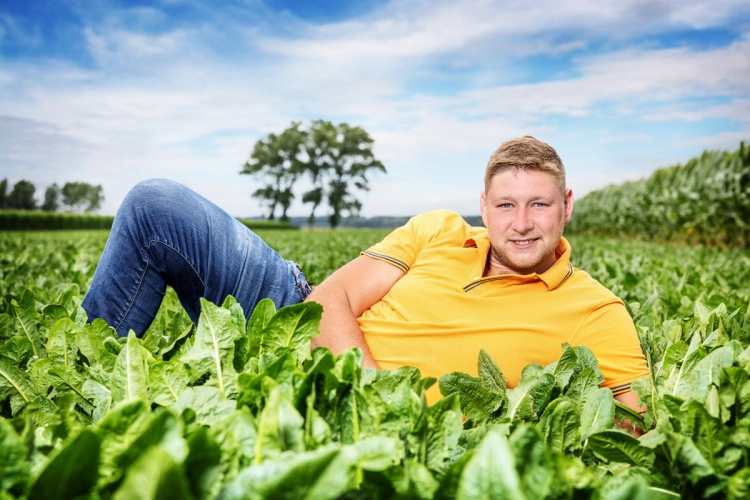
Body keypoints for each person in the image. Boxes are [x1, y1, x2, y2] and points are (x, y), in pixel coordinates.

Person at [82, 136, 648, 417]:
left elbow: (635, 431)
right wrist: (373, 395)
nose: (521, 225)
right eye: (505, 206)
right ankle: (82, 380)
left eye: (539, 206)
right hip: (293, 316)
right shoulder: (440, 229)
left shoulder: (598, 313)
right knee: (155, 205)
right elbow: (329, 301)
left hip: (369, 411)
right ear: (483, 204)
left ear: (567, 205)